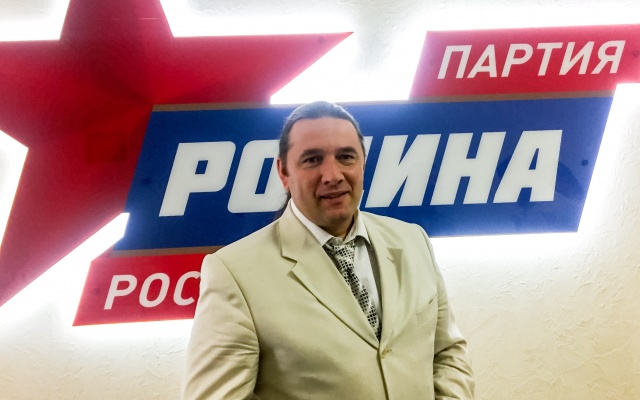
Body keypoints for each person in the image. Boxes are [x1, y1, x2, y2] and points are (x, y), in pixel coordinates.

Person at [181, 101, 474, 400]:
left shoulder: (413, 240)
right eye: (312, 159)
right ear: (283, 172)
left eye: (346, 157)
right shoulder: (234, 273)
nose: (332, 175)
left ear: (362, 163)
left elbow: (448, 353)